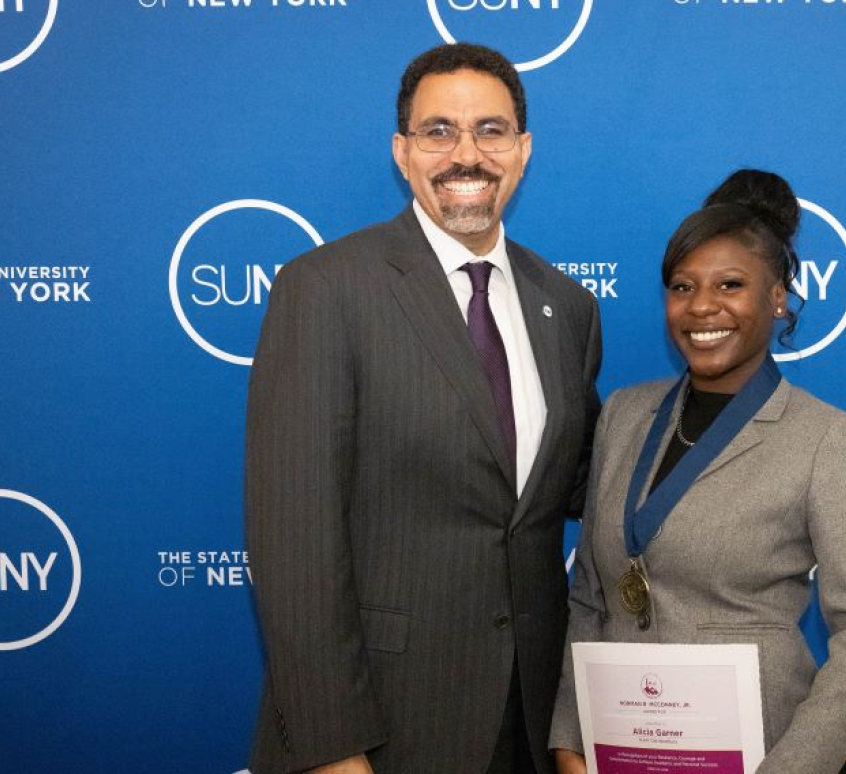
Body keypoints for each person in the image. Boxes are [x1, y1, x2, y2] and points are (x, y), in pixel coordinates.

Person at [244, 43, 602, 774]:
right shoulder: (325, 290)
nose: (466, 154)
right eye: (439, 131)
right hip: (379, 726)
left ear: (523, 150)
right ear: (403, 152)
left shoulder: (566, 307)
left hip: (531, 724)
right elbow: (294, 546)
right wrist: (332, 749)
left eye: (491, 131)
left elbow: (578, 488)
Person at [549, 170, 846, 774]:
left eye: (730, 284)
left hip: (766, 755)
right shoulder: (625, 417)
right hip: (625, 755)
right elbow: (590, 599)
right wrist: (570, 739)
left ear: (778, 297)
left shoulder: (828, 440)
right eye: (682, 286)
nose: (702, 307)